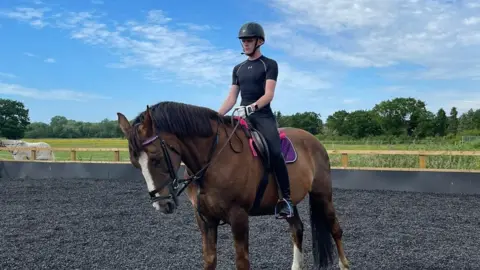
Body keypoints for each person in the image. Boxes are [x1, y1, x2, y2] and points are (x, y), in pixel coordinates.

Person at [218, 22, 294, 219]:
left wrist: (251, 108)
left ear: (259, 41)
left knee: (275, 151)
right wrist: (217, 116)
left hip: (262, 116)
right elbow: (231, 98)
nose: (245, 44)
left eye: (249, 40)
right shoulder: (238, 68)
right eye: (243, 41)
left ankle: (286, 199)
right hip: (241, 114)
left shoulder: (269, 64)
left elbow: (269, 95)